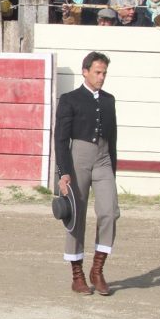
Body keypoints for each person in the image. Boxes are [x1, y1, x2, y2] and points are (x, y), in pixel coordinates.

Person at [55, 51, 118, 295]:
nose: (101, 77)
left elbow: (112, 138)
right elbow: (61, 139)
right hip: (78, 157)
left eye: (104, 73)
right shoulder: (70, 99)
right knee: (76, 216)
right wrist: (63, 173)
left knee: (110, 212)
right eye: (97, 72)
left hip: (103, 159)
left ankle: (98, 269)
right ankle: (77, 274)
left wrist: (113, 168)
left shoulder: (109, 100)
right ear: (85, 72)